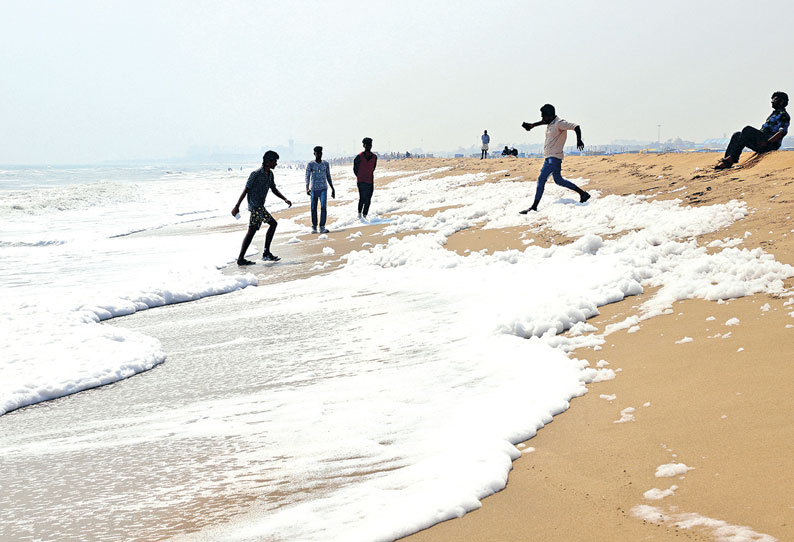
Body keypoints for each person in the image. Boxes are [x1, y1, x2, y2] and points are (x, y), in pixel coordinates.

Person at [519, 104, 590, 213]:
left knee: (541, 179)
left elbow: (576, 126)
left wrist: (579, 140)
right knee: (558, 180)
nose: (542, 119)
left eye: (544, 116)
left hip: (554, 158)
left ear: (550, 115)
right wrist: (532, 125)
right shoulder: (551, 122)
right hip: (549, 157)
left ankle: (534, 206)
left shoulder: (559, 123)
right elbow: (544, 122)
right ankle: (583, 194)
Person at [231, 150, 292, 265]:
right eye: (274, 161)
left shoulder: (270, 174)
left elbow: (273, 189)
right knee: (268, 226)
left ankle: (245, 257)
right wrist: (237, 206)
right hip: (255, 207)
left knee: (253, 231)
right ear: (268, 162)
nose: (276, 164)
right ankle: (263, 254)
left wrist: (284, 199)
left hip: (260, 207)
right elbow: (246, 190)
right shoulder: (256, 174)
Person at [715, 91, 790, 170]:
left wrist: (768, 142)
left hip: (769, 144)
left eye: (775, 99)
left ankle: (732, 158)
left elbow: (782, 132)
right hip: (762, 142)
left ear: (782, 102)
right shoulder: (774, 114)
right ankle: (727, 161)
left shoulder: (783, 115)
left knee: (747, 129)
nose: (772, 101)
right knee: (737, 135)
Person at [305, 146, 335, 234]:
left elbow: (328, 176)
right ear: (314, 154)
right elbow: (307, 176)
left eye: (320, 153)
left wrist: (332, 188)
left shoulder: (325, 164)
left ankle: (322, 226)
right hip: (314, 189)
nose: (318, 155)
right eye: (317, 153)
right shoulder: (311, 164)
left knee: (323, 207)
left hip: (323, 189)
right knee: (313, 208)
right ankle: (314, 226)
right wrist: (307, 188)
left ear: (322, 153)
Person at [353, 137, 377, 221]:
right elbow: (355, 169)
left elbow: (373, 168)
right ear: (364, 145)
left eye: (370, 145)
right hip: (361, 181)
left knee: (368, 198)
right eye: (367, 145)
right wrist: (360, 176)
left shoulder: (374, 157)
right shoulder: (359, 157)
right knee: (362, 198)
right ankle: (359, 215)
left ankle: (365, 215)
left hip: (370, 180)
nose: (368, 146)